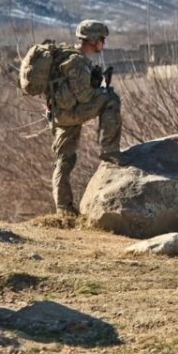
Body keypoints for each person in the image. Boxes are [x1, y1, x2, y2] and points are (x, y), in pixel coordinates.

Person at [49, 20, 123, 216]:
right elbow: (85, 97)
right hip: (70, 113)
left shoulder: (67, 56)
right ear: (92, 40)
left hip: (59, 114)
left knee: (65, 158)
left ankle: (64, 209)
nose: (103, 44)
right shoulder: (77, 61)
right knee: (111, 100)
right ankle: (110, 150)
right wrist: (100, 88)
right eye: (101, 39)